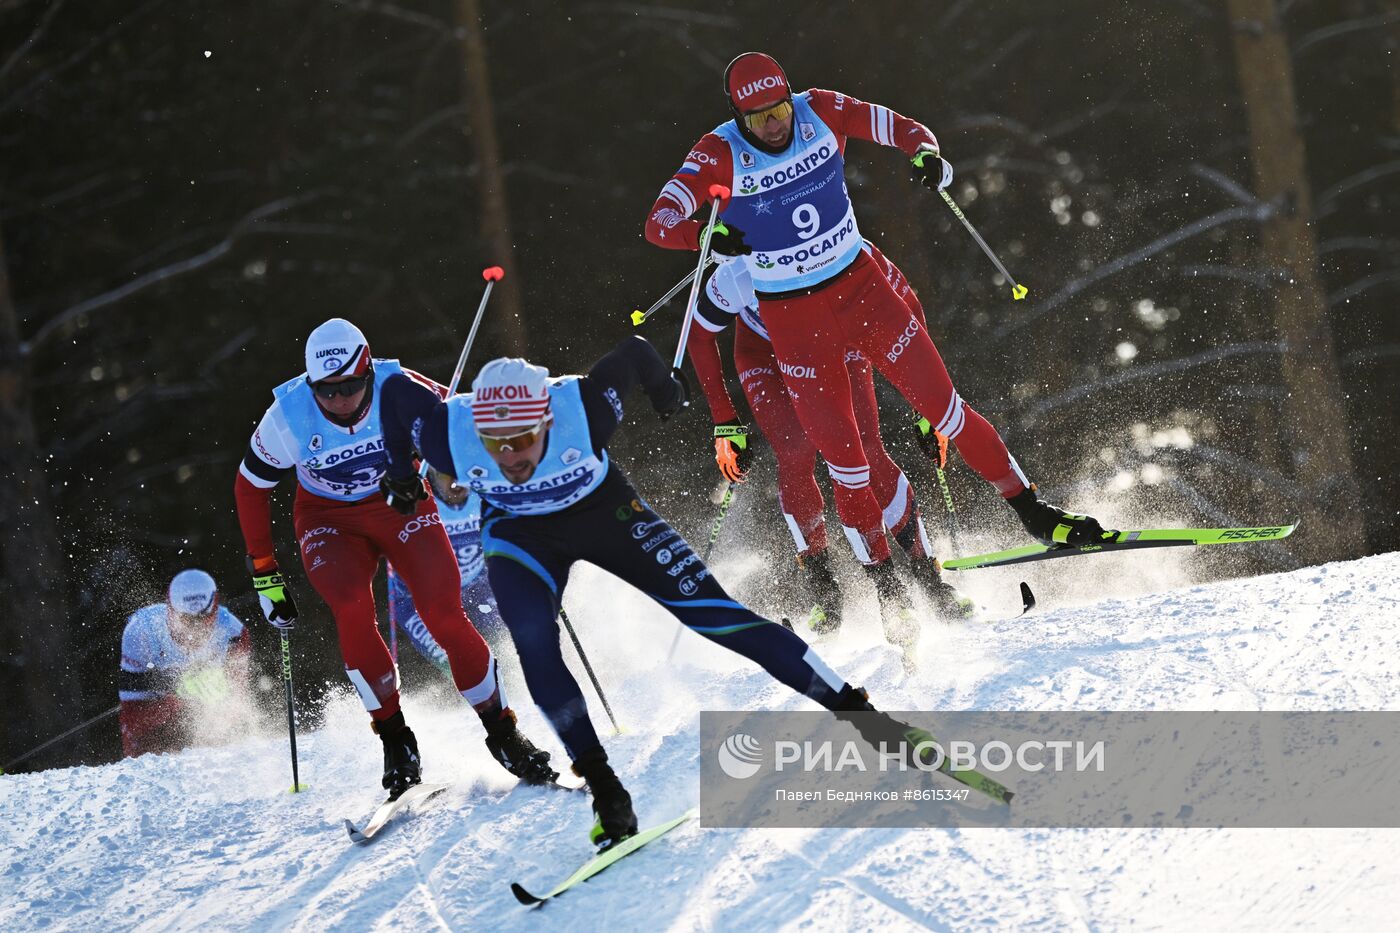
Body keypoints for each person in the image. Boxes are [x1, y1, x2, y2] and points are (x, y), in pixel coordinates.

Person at [378, 334, 908, 849]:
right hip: (520, 536)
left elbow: (633, 352)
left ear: (547, 418)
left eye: (524, 439)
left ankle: (860, 715)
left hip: (603, 513)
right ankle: (605, 789)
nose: (512, 456)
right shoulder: (449, 431)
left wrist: (664, 389)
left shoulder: (585, 407)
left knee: (716, 616)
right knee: (535, 645)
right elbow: (395, 395)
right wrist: (402, 474)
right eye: (497, 444)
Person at [643, 51, 1113, 617]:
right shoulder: (718, 152)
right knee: (844, 465)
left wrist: (927, 152)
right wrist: (704, 237)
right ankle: (888, 595)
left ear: (788, 97)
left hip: (862, 294)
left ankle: (1038, 515)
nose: (773, 125)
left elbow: (896, 125)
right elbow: (659, 222)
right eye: (758, 118)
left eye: (778, 111)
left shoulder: (817, 110)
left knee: (946, 411)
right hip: (795, 327)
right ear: (738, 118)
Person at [233, 318, 554, 799]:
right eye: (327, 391)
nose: (339, 401)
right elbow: (250, 486)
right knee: (352, 610)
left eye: (350, 387)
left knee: (443, 612)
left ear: (368, 371)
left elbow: (467, 429)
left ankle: (504, 733)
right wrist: (264, 571)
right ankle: (396, 740)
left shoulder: (399, 386)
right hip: (328, 520)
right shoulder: (288, 415)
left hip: (401, 504)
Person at [687, 240, 974, 645]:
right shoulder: (739, 273)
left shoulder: (842, 243)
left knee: (866, 451)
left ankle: (930, 580)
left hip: (835, 340)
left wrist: (924, 403)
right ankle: (839, 589)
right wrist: (724, 421)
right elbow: (698, 337)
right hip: (764, 354)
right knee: (796, 450)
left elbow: (906, 301)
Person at [119, 569, 251, 757]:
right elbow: (133, 713)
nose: (194, 629)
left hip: (209, 721)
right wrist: (172, 698)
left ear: (215, 608)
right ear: (170, 609)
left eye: (203, 619)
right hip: (159, 716)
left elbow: (236, 702)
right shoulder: (141, 631)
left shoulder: (234, 634)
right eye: (186, 620)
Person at [386, 480, 506, 678]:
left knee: (509, 634)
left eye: (458, 470)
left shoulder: (485, 493)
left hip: (477, 583)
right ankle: (483, 699)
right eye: (444, 470)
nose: (454, 480)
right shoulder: (419, 500)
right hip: (417, 600)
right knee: (454, 659)